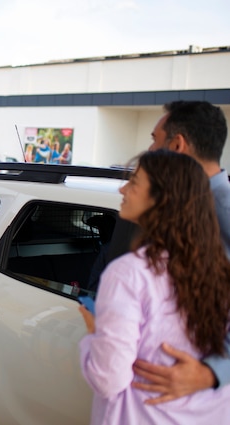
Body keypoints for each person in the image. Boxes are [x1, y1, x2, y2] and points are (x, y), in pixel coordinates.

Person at [78, 150, 230, 424]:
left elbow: (108, 379)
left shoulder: (128, 275)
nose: (122, 188)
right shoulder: (221, 268)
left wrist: (92, 335)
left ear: (162, 200)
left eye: (134, 183)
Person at [132, 100, 230, 403]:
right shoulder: (184, 204)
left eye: (154, 139)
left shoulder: (220, 212)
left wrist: (212, 372)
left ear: (176, 145)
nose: (149, 151)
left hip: (195, 394)